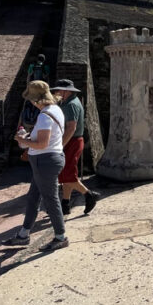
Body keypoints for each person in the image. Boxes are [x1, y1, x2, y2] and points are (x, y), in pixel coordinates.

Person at [3, 81, 69, 251]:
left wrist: (21, 140)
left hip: (44, 162)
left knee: (51, 199)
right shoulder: (55, 110)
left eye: (32, 100)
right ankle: (24, 234)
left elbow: (41, 144)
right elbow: (46, 140)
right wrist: (28, 137)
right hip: (47, 160)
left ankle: (61, 237)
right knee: (33, 198)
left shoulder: (45, 115)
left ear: (37, 100)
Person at [51, 79, 97, 216]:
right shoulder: (68, 102)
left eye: (59, 90)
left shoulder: (71, 104)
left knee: (69, 174)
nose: (57, 93)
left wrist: (61, 145)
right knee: (66, 174)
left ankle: (89, 195)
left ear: (67, 91)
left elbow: (71, 128)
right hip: (72, 140)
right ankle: (65, 203)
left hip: (72, 141)